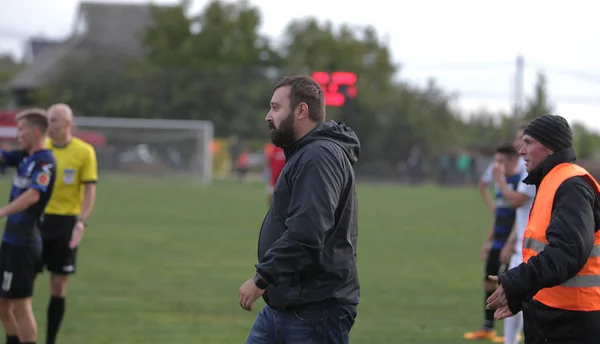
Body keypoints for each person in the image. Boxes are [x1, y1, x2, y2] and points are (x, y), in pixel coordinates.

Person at [238, 75, 361, 344]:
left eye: (276, 107)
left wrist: (262, 278)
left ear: (301, 110)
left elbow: (308, 231)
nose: (268, 116)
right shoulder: (305, 153)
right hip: (285, 304)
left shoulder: (319, 156)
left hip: (315, 310)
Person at [487, 114, 600, 344]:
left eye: (528, 142)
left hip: (574, 321)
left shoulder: (572, 186)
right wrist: (522, 296)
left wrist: (516, 282)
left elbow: (567, 253)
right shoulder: (551, 181)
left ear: (549, 147)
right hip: (551, 316)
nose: (521, 150)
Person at [41, 103, 98, 344]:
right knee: (21, 285)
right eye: (47, 120)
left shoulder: (84, 152)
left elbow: (89, 191)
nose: (48, 125)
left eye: (53, 120)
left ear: (67, 124)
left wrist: (81, 221)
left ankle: (50, 340)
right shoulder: (41, 148)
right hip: (38, 221)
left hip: (65, 224)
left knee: (58, 285)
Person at [0, 108, 56, 344]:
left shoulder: (45, 162)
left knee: (21, 306)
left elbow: (33, 195)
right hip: (10, 242)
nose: (17, 134)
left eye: (21, 129)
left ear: (35, 131)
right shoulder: (24, 156)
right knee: (3, 305)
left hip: (24, 244)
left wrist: (1, 211)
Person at [464, 143, 522, 341]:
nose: (496, 165)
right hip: (497, 242)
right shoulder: (501, 183)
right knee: (489, 282)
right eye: (495, 161)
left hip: (512, 247)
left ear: (513, 161)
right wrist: (487, 240)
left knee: (509, 288)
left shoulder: (520, 182)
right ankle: (488, 327)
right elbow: (498, 215)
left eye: (500, 161)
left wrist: (510, 242)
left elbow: (519, 215)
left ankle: (511, 334)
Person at [490, 126, 536, 344]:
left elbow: (518, 201)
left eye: (524, 139)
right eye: (519, 139)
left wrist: (499, 181)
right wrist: (510, 242)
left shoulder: (532, 169)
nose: (520, 144)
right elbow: (523, 212)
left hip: (529, 249)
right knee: (512, 302)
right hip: (520, 246)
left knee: (521, 303)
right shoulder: (527, 166)